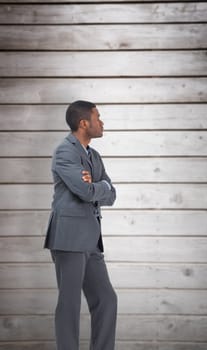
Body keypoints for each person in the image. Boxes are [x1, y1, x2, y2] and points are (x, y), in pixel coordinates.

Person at [44, 100, 117, 350]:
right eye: (98, 117)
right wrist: (98, 187)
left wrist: (99, 187)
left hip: (91, 241)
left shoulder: (93, 156)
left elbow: (111, 193)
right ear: (84, 123)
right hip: (69, 238)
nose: (102, 122)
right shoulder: (65, 152)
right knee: (69, 304)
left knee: (106, 299)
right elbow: (86, 192)